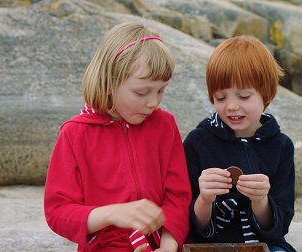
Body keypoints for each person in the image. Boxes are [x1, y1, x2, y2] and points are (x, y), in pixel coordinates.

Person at [44, 22, 191, 252]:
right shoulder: (74, 134)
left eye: (161, 90)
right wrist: (113, 213)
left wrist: (169, 245)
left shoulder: (165, 126)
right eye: (141, 92)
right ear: (109, 82)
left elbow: (178, 197)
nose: (153, 102)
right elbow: (58, 211)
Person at [183, 35, 296, 252]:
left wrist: (261, 201)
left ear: (267, 94)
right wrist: (205, 199)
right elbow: (193, 224)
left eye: (244, 96)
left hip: (265, 245)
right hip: (210, 246)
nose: (232, 106)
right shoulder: (198, 141)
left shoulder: (281, 146)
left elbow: (281, 224)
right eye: (220, 98)